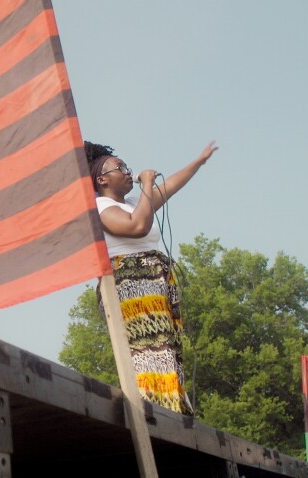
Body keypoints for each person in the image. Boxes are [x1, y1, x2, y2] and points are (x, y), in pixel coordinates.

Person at [86, 140, 219, 416]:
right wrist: (146, 182)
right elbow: (137, 225)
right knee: (146, 349)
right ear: (102, 179)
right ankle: (150, 407)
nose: (126, 171)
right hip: (129, 286)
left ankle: (171, 406)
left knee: (165, 347)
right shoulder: (99, 206)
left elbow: (169, 186)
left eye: (126, 166)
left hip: (154, 283)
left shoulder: (136, 201)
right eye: (119, 167)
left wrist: (199, 161)